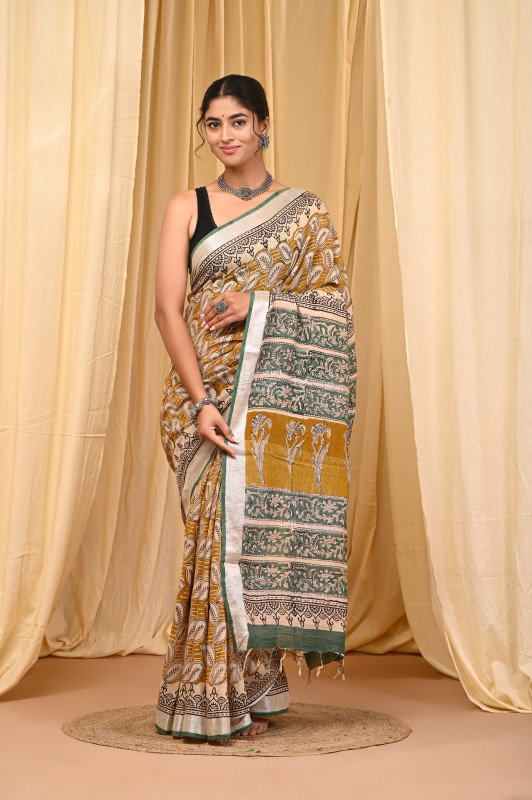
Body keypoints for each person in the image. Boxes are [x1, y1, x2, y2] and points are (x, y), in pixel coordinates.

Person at [153, 74, 356, 741]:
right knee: (214, 542)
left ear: (263, 126)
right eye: (213, 124)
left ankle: (250, 693)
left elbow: (334, 305)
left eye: (238, 122)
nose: (226, 136)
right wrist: (202, 400)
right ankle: (208, 700)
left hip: (271, 400)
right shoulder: (187, 206)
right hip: (202, 397)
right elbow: (168, 311)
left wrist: (258, 303)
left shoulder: (304, 212)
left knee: (254, 542)